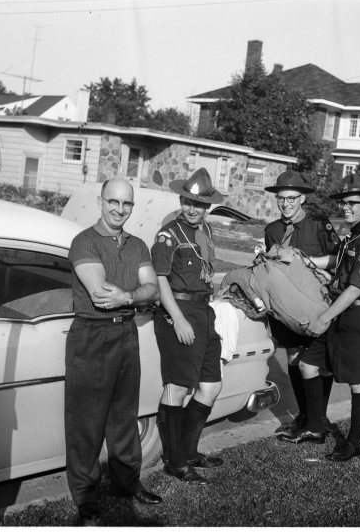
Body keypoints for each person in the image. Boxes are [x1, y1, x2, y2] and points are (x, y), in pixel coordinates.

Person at [65, 177, 162, 526]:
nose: (120, 210)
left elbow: (153, 290)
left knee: (124, 416)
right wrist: (134, 294)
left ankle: (126, 483)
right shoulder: (84, 241)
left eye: (126, 204)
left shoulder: (138, 245)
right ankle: (86, 500)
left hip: (126, 333)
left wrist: (129, 297)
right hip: (91, 335)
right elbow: (100, 294)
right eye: (113, 202)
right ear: (101, 202)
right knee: (86, 424)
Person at [305, 174, 360, 461]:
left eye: (353, 203)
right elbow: (339, 268)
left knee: (357, 382)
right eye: (344, 202)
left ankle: (353, 443)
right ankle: (316, 425)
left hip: (357, 317)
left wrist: (323, 318)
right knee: (309, 365)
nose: (346, 207)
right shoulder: (351, 235)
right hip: (340, 311)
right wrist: (313, 266)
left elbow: (355, 288)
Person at [152, 168, 225, 485]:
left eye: (199, 204)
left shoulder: (204, 230)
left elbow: (204, 271)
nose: (192, 209)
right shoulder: (169, 234)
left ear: (208, 206)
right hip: (178, 311)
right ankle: (175, 462)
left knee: (211, 386)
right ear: (180, 201)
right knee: (178, 387)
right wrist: (178, 319)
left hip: (203, 311)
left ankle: (189, 452)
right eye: (187, 202)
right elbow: (160, 280)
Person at [263, 170, 339, 444]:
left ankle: (319, 417)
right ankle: (305, 416)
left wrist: (313, 264)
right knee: (294, 358)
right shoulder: (272, 230)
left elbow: (338, 259)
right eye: (281, 199)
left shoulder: (319, 224)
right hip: (286, 308)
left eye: (291, 198)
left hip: (316, 304)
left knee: (320, 364)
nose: (286, 204)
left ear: (302, 198)